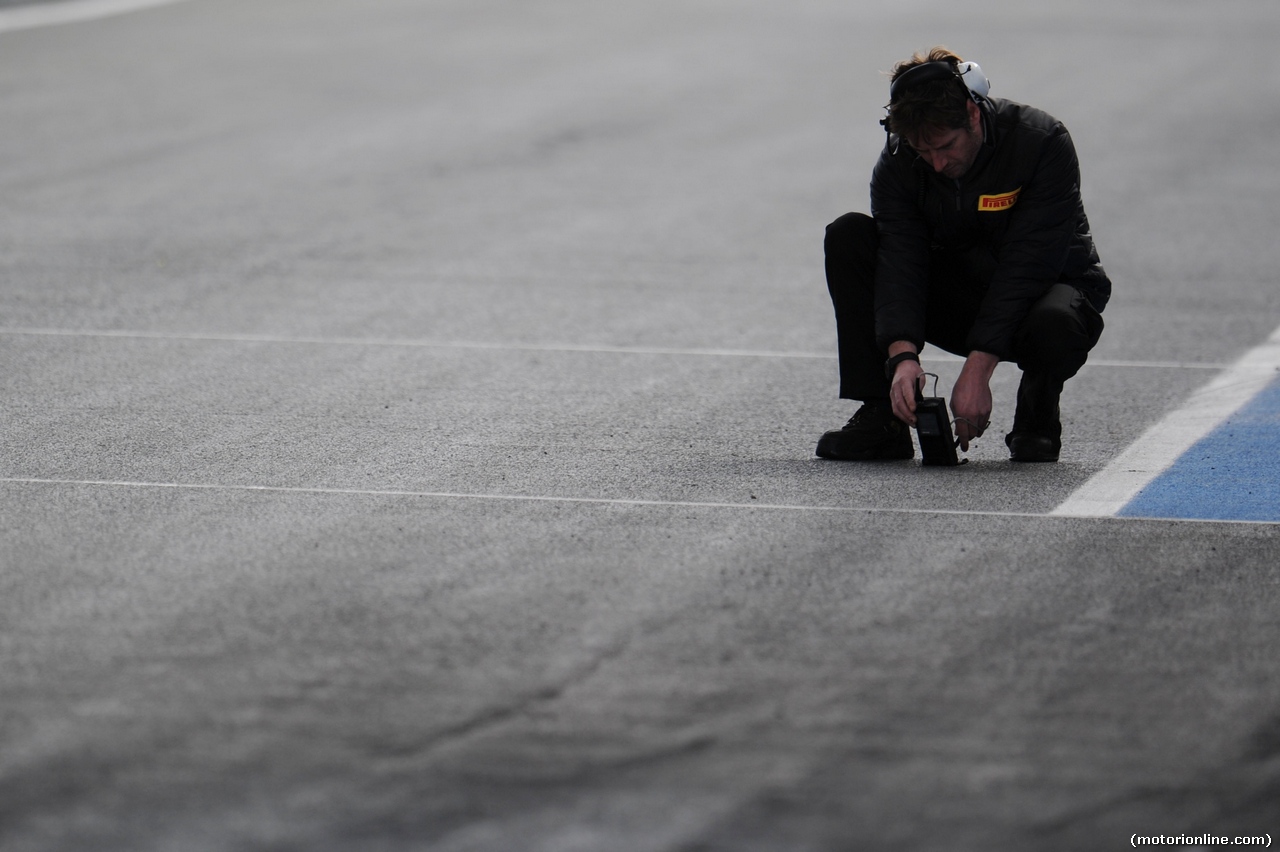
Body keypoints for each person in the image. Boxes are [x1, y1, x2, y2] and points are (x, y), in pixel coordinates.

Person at [817, 47, 1110, 463]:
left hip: (1040, 295)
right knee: (850, 235)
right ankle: (883, 416)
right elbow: (901, 260)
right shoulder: (900, 162)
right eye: (923, 151)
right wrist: (901, 358)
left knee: (1056, 321)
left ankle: (1038, 409)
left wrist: (978, 369)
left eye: (945, 146)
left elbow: (1029, 266)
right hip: (960, 295)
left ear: (973, 114)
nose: (936, 164)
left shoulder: (1041, 142)